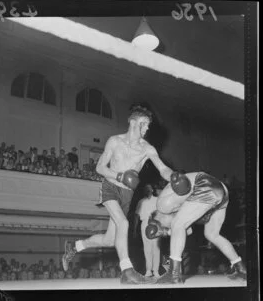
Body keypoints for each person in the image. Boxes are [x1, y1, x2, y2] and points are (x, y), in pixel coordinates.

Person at [62, 104, 174, 284]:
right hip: (110, 188)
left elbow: (163, 169)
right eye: (143, 124)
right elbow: (100, 168)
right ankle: (127, 271)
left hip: (127, 195)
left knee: (109, 240)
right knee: (124, 223)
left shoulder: (147, 149)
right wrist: (120, 176)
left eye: (147, 126)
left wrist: (174, 176)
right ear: (132, 122)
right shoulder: (114, 141)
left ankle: (74, 247)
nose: (146, 129)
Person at [145, 171, 247, 284]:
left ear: (158, 216)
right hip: (221, 193)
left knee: (177, 224)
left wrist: (169, 228)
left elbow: (179, 182)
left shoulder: (163, 205)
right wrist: (166, 231)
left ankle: (173, 274)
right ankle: (240, 267)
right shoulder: (179, 208)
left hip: (204, 184)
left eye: (163, 225)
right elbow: (188, 231)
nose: (167, 227)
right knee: (212, 234)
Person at [134, 184, 161, 278]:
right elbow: (136, 216)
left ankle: (156, 271)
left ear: (152, 190)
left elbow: (161, 212)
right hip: (144, 223)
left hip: (155, 223)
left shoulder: (157, 200)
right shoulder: (141, 201)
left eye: (149, 188)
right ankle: (148, 270)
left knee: (156, 247)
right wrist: (134, 229)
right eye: (146, 188)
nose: (147, 190)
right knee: (147, 248)